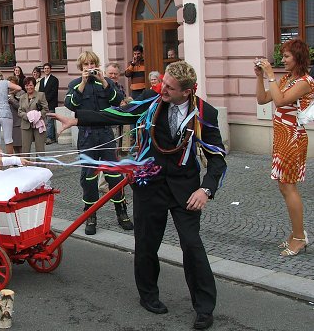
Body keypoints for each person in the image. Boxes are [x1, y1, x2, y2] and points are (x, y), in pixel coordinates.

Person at [53, 60, 226, 330]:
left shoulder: (205, 113)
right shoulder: (151, 102)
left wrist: (206, 190)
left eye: (169, 87)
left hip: (186, 190)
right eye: (163, 83)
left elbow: (218, 160)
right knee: (146, 244)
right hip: (149, 184)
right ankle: (149, 295)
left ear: (187, 91)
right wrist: (76, 118)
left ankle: (204, 308)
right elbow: (117, 115)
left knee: (192, 246)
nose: (162, 89)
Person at [255, 38, 313, 257]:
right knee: (283, 186)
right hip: (281, 137)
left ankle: (299, 237)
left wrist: (271, 75)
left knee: (289, 187)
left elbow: (279, 102)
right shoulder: (287, 79)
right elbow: (263, 99)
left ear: (297, 58)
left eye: (287, 56)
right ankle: (296, 233)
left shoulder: (305, 81)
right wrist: (260, 78)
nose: (283, 60)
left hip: (293, 138)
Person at [64, 51, 133, 235]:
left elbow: (119, 101)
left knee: (114, 175)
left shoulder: (107, 83)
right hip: (87, 136)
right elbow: (70, 105)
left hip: (105, 134)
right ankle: (90, 215)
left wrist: (104, 82)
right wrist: (83, 83)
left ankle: (121, 212)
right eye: (86, 64)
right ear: (81, 67)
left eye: (92, 63)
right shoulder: (74, 85)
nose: (89, 67)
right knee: (89, 177)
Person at [0, 72, 22, 155]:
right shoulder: (5, 83)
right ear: (1, 77)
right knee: (8, 139)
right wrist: (10, 93)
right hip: (6, 113)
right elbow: (19, 88)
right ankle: (10, 163)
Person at [18, 76, 49, 158]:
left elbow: (45, 109)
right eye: (27, 85)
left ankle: (41, 168)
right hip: (26, 125)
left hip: (38, 125)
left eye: (30, 85)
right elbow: (20, 111)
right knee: (25, 149)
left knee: (40, 149)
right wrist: (27, 116)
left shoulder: (41, 95)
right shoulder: (22, 97)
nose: (29, 87)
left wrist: (37, 115)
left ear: (34, 85)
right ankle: (25, 168)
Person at [38, 63, 59, 145]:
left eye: (48, 68)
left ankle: (51, 138)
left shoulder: (54, 79)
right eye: (45, 68)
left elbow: (54, 92)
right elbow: (40, 92)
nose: (46, 70)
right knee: (44, 121)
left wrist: (45, 101)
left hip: (51, 103)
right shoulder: (42, 80)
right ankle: (46, 137)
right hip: (43, 104)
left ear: (50, 69)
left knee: (50, 121)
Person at [7, 75, 25, 153]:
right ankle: (17, 161)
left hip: (18, 122)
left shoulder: (21, 93)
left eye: (12, 84)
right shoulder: (5, 92)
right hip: (9, 121)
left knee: (20, 144)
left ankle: (23, 161)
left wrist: (12, 99)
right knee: (13, 144)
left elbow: (20, 106)